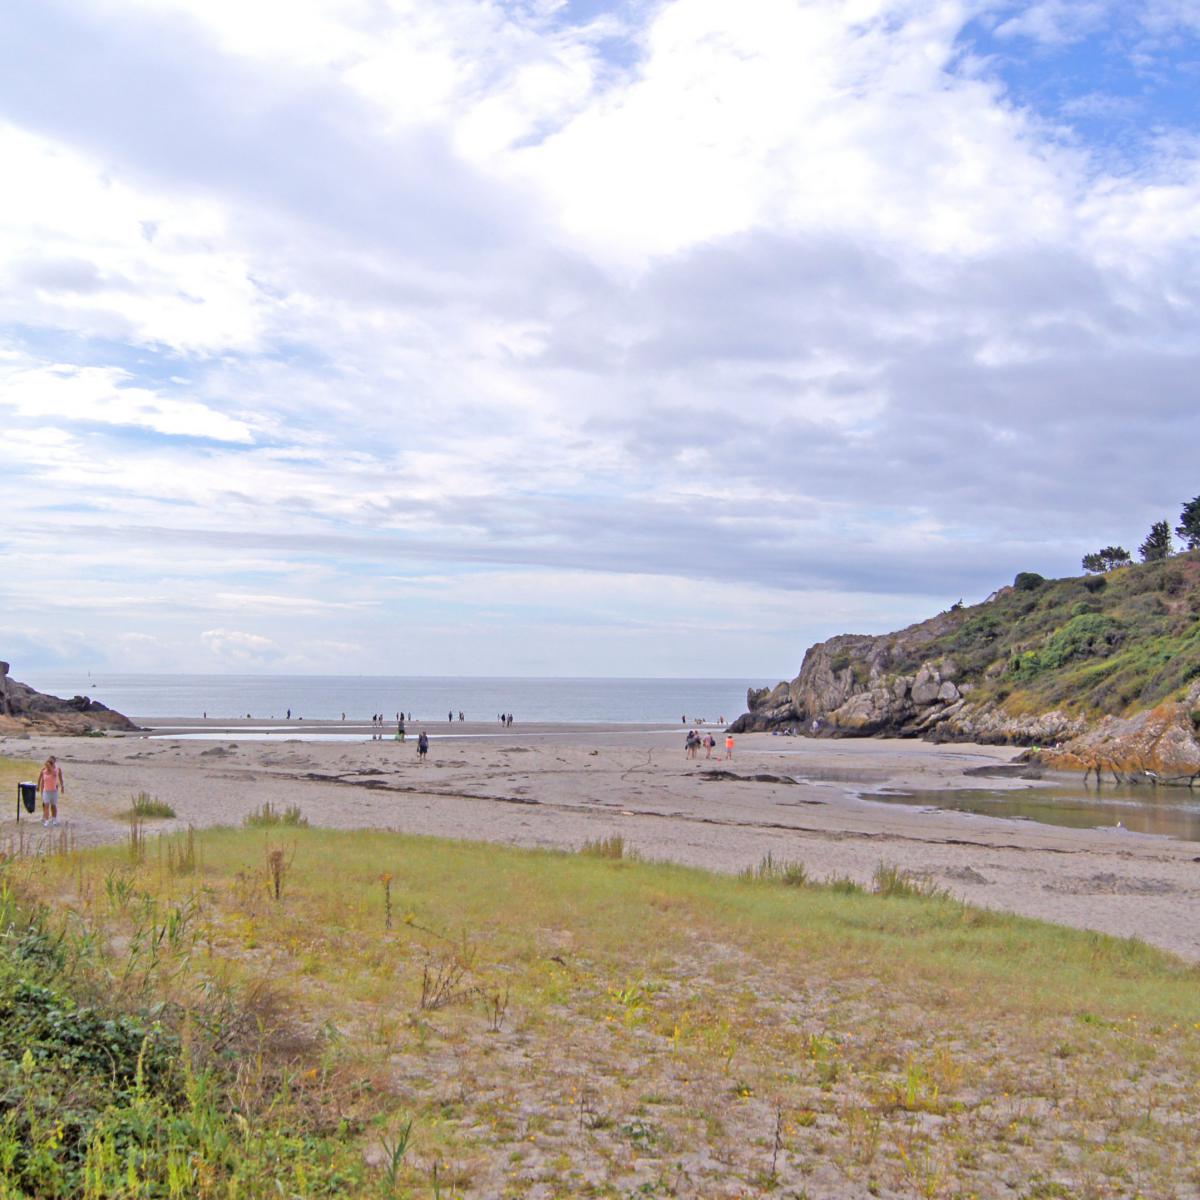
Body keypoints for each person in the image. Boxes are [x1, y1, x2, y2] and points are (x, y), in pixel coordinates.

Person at [37, 756, 64, 827]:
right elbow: (40, 779)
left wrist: (62, 786)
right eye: (48, 762)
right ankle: (46, 820)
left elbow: (56, 775)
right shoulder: (43, 770)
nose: (49, 764)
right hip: (46, 791)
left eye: (51, 762)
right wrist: (38, 787)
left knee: (53, 806)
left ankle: (54, 819)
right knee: (46, 805)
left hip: (54, 791)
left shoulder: (56, 770)